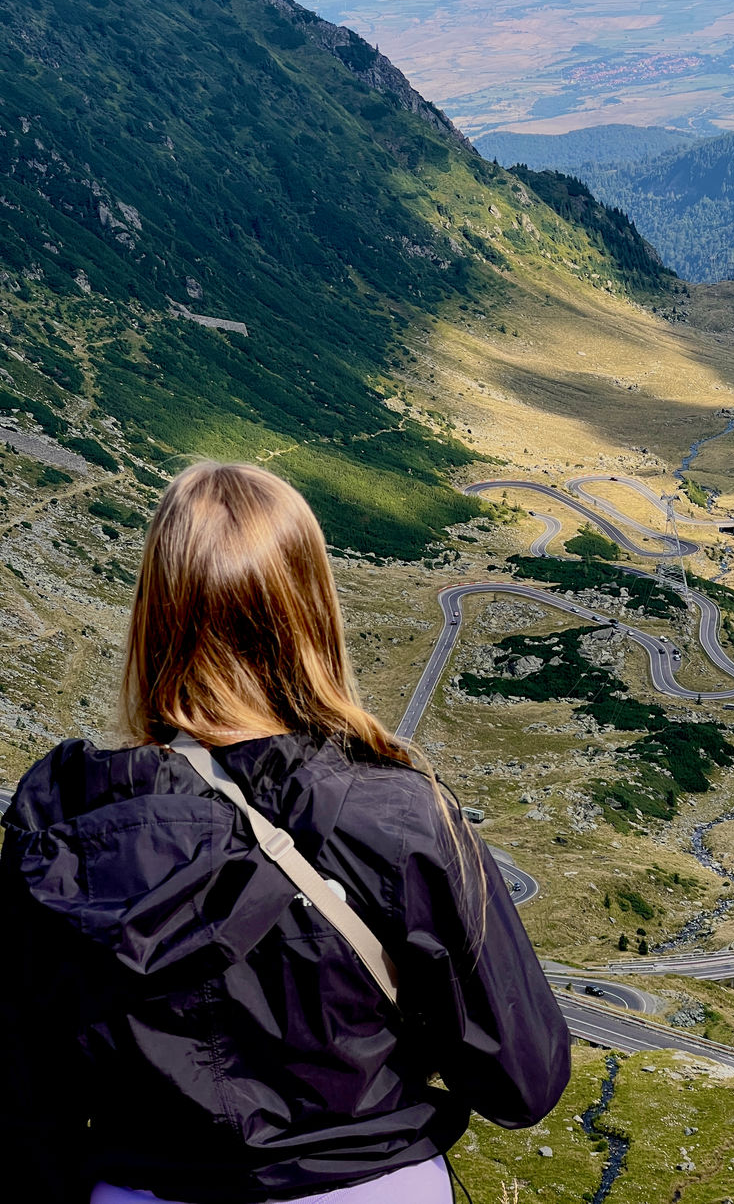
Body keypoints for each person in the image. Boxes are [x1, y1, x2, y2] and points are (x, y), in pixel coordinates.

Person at [0, 461, 570, 1204]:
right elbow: (523, 1081)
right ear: (310, 609)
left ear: (152, 612)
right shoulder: (400, 814)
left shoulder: (63, 820)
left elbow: (22, 1098)